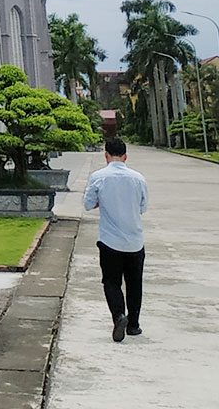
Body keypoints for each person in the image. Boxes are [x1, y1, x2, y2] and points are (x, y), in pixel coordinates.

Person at [82, 136, 149, 341]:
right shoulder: (138, 178)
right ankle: (134, 325)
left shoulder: (98, 177)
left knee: (111, 282)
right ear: (126, 156)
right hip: (135, 241)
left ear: (106, 155)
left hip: (110, 240)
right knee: (134, 283)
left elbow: (88, 204)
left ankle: (119, 315)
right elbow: (142, 207)